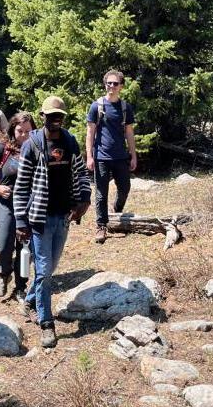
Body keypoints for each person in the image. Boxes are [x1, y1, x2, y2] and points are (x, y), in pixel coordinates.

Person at [13, 97, 91, 348]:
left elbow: (80, 173)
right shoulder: (32, 145)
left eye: (59, 115)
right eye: (51, 115)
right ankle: (46, 323)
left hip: (63, 215)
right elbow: (21, 186)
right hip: (38, 217)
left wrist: (85, 199)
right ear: (43, 116)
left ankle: (30, 300)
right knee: (44, 271)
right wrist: (20, 221)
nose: (55, 119)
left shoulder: (69, 141)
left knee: (50, 267)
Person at [0, 112, 35, 301]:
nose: (24, 135)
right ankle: (4, 275)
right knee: (3, 244)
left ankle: (21, 286)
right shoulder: (4, 148)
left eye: (28, 131)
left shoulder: (37, 148)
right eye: (20, 131)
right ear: (13, 129)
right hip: (6, 203)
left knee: (24, 248)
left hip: (28, 206)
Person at [86, 71, 137, 244]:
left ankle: (116, 210)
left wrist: (133, 156)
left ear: (121, 86)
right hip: (101, 156)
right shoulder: (97, 106)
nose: (111, 86)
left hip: (121, 156)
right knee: (101, 193)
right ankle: (101, 226)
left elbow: (129, 132)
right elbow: (90, 132)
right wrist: (89, 156)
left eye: (115, 84)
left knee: (125, 187)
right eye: (109, 83)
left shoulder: (125, 107)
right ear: (105, 84)